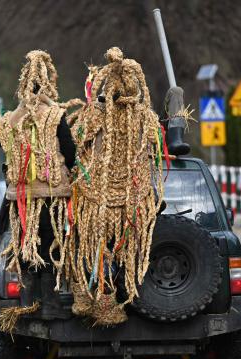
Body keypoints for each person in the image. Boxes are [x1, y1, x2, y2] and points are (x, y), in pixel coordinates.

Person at [66, 47, 165, 325]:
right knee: (120, 248)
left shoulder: (93, 116)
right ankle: (108, 300)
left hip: (98, 200)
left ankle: (90, 296)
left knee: (91, 246)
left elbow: (75, 140)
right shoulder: (145, 117)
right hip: (131, 201)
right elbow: (159, 141)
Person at [0, 50, 75, 320]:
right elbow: (70, 151)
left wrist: (12, 114)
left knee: (25, 247)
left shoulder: (12, 119)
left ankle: (29, 303)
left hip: (22, 200)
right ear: (47, 86)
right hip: (53, 197)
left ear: (22, 87)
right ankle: (51, 305)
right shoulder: (55, 115)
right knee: (51, 247)